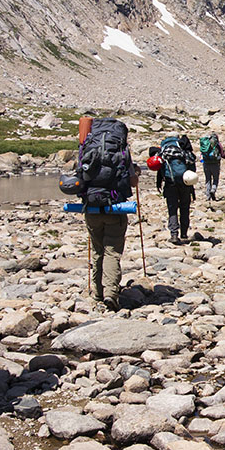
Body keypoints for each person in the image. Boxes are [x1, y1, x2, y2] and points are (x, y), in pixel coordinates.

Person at [80, 119, 140, 312]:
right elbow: (132, 182)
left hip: (91, 207)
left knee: (98, 250)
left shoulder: (87, 147)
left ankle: (97, 292)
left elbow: (78, 177)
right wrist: (136, 173)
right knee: (112, 251)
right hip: (115, 208)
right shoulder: (122, 152)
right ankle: (111, 294)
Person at [157, 135, 196, 244]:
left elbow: (160, 171)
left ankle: (174, 234)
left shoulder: (164, 152)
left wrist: (159, 184)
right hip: (185, 183)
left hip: (170, 184)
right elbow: (192, 167)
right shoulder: (184, 150)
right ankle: (184, 233)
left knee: (172, 209)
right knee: (184, 207)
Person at [200, 133, 225, 201]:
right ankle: (213, 190)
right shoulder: (217, 144)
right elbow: (222, 153)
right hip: (215, 164)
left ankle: (208, 196)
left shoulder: (205, 144)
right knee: (215, 178)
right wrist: (224, 156)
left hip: (206, 163)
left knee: (208, 179)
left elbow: (201, 153)